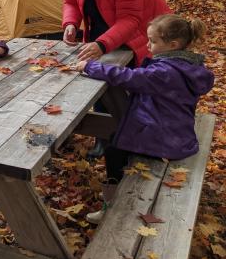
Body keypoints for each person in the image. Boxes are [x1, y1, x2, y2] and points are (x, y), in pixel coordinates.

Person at [74, 14, 214, 224]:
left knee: (114, 150)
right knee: (118, 135)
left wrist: (89, 66)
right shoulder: (186, 66)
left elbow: (128, 78)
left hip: (164, 140)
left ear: (173, 44)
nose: (147, 45)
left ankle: (110, 209)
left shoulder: (164, 72)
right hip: (177, 131)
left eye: (153, 41)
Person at [61, 0, 170, 157]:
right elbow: (70, 1)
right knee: (100, 81)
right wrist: (70, 23)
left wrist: (102, 43)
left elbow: (131, 19)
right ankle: (105, 137)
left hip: (146, 32)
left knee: (131, 84)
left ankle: (136, 141)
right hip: (102, 27)